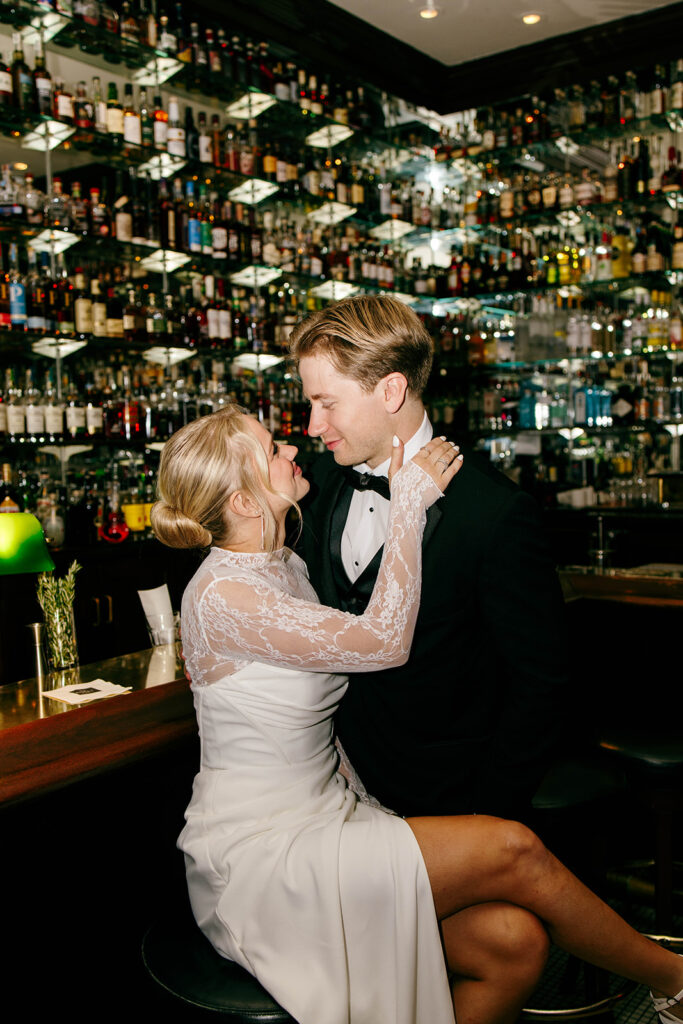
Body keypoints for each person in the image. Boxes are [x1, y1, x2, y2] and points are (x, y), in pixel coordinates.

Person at [152, 405, 683, 1024]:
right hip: (266, 855)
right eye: (272, 451)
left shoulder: (286, 568)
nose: (294, 449)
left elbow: (315, 725)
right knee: (513, 847)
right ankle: (673, 982)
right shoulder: (224, 596)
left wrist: (369, 806)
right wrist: (408, 503)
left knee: (514, 943)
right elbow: (382, 643)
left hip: (328, 817)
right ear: (244, 502)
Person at [289, 293, 569, 822]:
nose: (311, 425)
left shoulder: (493, 512)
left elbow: (541, 685)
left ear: (391, 389)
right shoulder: (315, 486)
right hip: (328, 796)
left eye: (327, 403)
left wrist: (488, 813)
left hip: (446, 801)